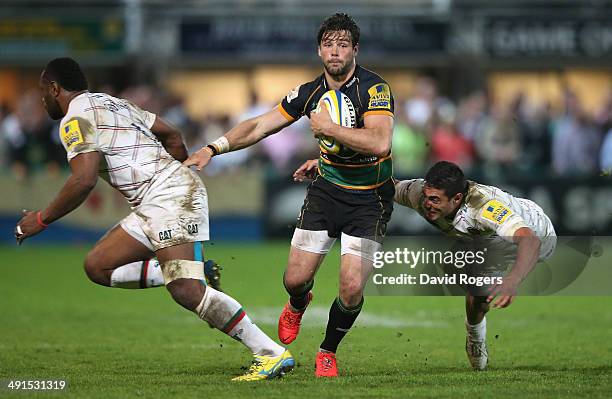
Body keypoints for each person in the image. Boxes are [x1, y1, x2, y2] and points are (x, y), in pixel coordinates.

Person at [14, 57, 293, 381]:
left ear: (54, 88)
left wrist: (42, 219)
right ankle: (181, 272)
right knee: (98, 265)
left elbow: (83, 180)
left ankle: (269, 353)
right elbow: (172, 134)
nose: (42, 99)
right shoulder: (112, 103)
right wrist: (179, 174)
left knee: (186, 290)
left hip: (165, 197)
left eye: (42, 92)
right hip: (158, 198)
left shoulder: (74, 120)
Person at [185, 13, 395, 377]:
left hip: (369, 199)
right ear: (319, 49)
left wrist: (328, 129)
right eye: (328, 44)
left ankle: (327, 350)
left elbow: (379, 142)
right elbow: (259, 125)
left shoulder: (374, 89)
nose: (335, 51)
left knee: (350, 288)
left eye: (343, 44)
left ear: (355, 50)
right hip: (327, 192)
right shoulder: (310, 92)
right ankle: (298, 302)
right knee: (294, 280)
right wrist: (213, 148)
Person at [295, 159, 557, 371]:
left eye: (435, 200)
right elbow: (384, 184)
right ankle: (475, 339)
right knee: (478, 295)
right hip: (489, 245)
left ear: (456, 199)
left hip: (537, 234)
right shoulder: (418, 193)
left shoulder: (483, 208)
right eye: (427, 197)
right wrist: (327, 168)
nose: (427, 204)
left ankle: (477, 331)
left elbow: (529, 241)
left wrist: (512, 281)